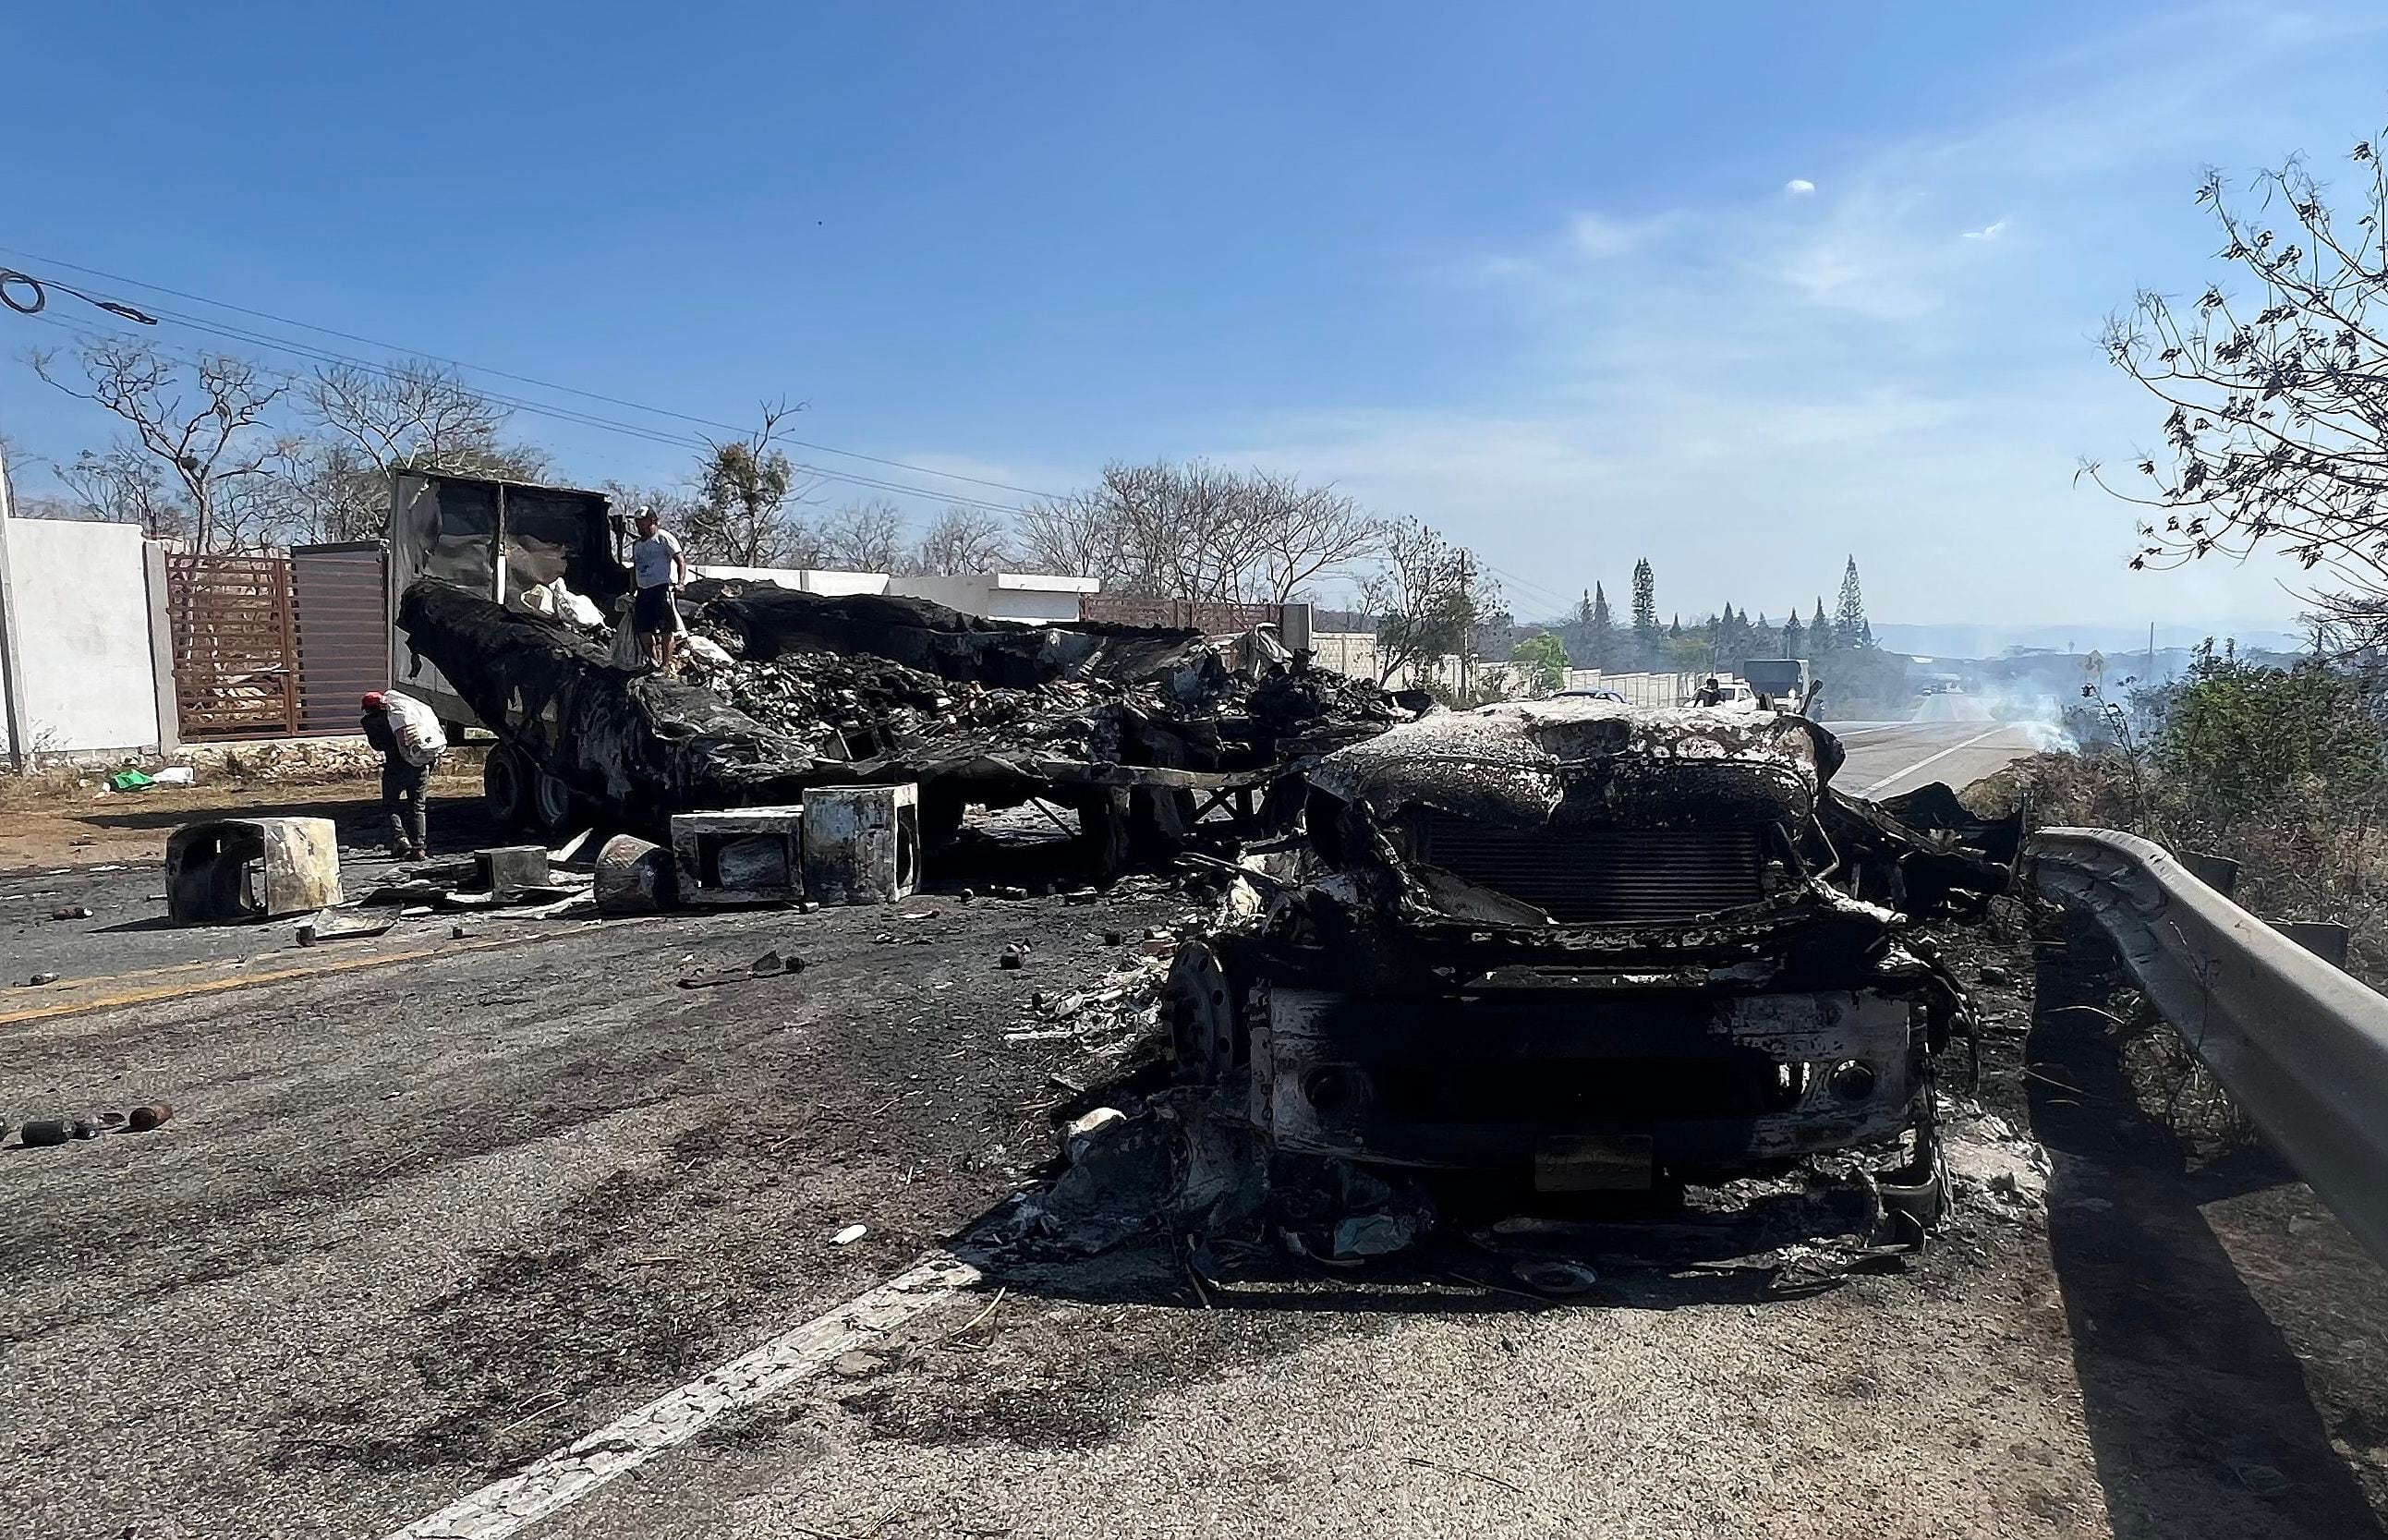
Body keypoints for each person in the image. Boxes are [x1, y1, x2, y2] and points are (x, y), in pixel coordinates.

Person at [361, 690, 443, 859]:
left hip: (394, 767)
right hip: (418, 765)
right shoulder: (403, 713)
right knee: (417, 807)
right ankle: (419, 848)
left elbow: (377, 745)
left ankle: (401, 839)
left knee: (391, 805)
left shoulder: (370, 722)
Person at [630, 505, 689, 673]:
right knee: (643, 629)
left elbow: (680, 560)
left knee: (666, 629)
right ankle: (653, 661)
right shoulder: (637, 545)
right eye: (638, 522)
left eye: (643, 522)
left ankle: (665, 664)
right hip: (643, 590)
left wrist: (681, 582)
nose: (640, 525)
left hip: (661, 588)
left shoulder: (664, 538)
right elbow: (635, 569)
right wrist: (631, 590)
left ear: (652, 521)